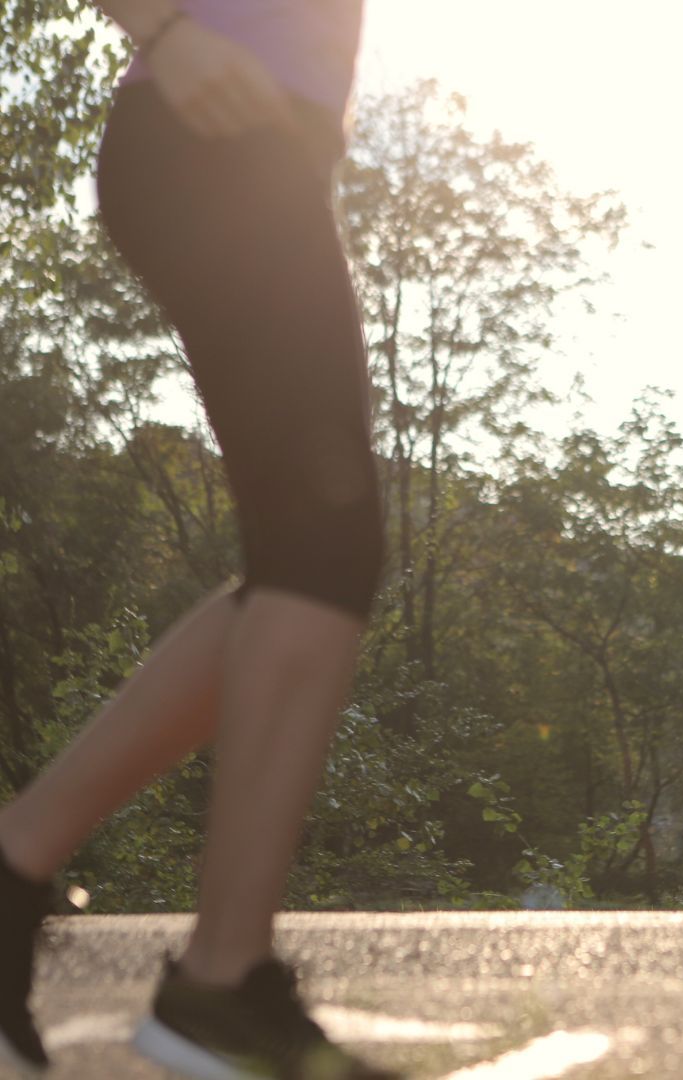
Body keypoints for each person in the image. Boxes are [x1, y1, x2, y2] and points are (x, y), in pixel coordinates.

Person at [0, 2, 399, 1077]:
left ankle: (15, 867)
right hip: (211, 140)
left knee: (301, 564)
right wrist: (166, 31)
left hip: (257, 158)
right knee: (325, 554)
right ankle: (218, 987)